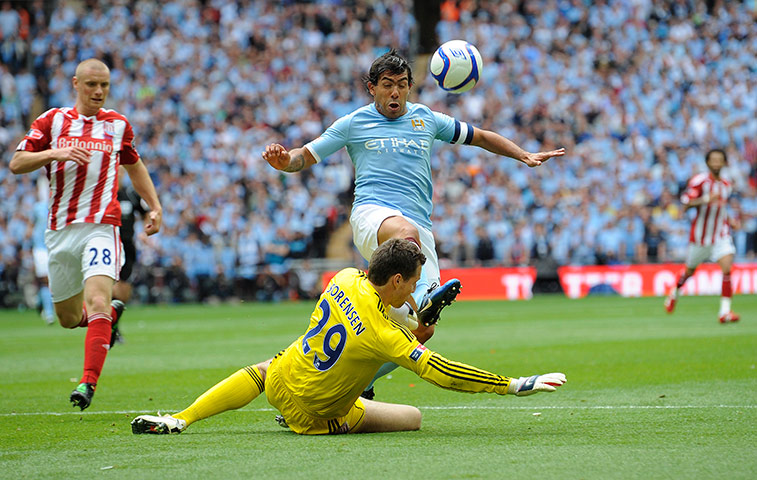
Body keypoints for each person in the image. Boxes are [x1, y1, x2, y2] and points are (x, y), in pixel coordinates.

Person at [263, 49, 565, 395]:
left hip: (419, 230)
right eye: (388, 85)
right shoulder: (353, 123)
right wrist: (285, 160)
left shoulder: (428, 119)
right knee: (407, 237)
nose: (395, 92)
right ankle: (424, 295)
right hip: (372, 217)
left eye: (402, 85)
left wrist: (523, 154)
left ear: (410, 88)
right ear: (371, 87)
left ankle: (354, 386)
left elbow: (480, 136)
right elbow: (305, 155)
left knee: (422, 331)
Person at [131, 238, 566, 435]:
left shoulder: (343, 276)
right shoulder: (383, 333)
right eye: (412, 283)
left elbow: (376, 310)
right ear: (396, 280)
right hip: (315, 415)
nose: (413, 288)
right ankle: (334, 414)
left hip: (283, 378)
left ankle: (181, 418)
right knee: (411, 415)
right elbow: (443, 374)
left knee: (268, 367)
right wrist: (512, 385)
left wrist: (412, 323)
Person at [9, 58, 163, 410]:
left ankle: (87, 384)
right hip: (61, 230)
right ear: (76, 84)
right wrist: (55, 152)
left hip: (101, 227)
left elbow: (134, 164)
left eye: (104, 86)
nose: (98, 92)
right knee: (66, 318)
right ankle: (106, 320)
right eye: (92, 84)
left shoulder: (117, 125)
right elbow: (17, 163)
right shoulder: (52, 121)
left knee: (97, 300)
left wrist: (155, 205)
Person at [664, 149, 740, 323]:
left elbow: (720, 208)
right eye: (713, 160)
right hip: (700, 237)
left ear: (724, 163)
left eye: (719, 160)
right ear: (707, 163)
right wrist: (704, 199)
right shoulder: (699, 181)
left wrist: (731, 220)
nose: (716, 163)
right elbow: (684, 203)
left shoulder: (726, 185)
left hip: (721, 234)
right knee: (689, 271)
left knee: (727, 268)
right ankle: (674, 292)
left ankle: (724, 312)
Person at [112, 167, 148, 305]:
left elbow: (146, 214)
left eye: (120, 171)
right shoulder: (104, 195)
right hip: (109, 244)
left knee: (124, 289)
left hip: (127, 245)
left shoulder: (130, 194)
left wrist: (144, 232)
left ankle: (114, 322)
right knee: (109, 285)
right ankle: (106, 322)